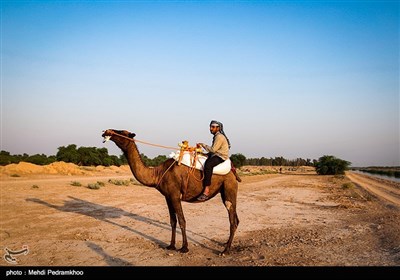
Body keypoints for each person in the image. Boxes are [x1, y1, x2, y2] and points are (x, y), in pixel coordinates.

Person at [197, 120, 231, 201]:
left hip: (220, 156)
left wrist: (203, 145)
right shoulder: (216, 136)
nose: (210, 129)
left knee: (208, 165)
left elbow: (213, 149)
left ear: (218, 128)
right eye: (210, 127)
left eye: (212, 127)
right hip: (216, 154)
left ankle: (206, 191)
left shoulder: (219, 137)